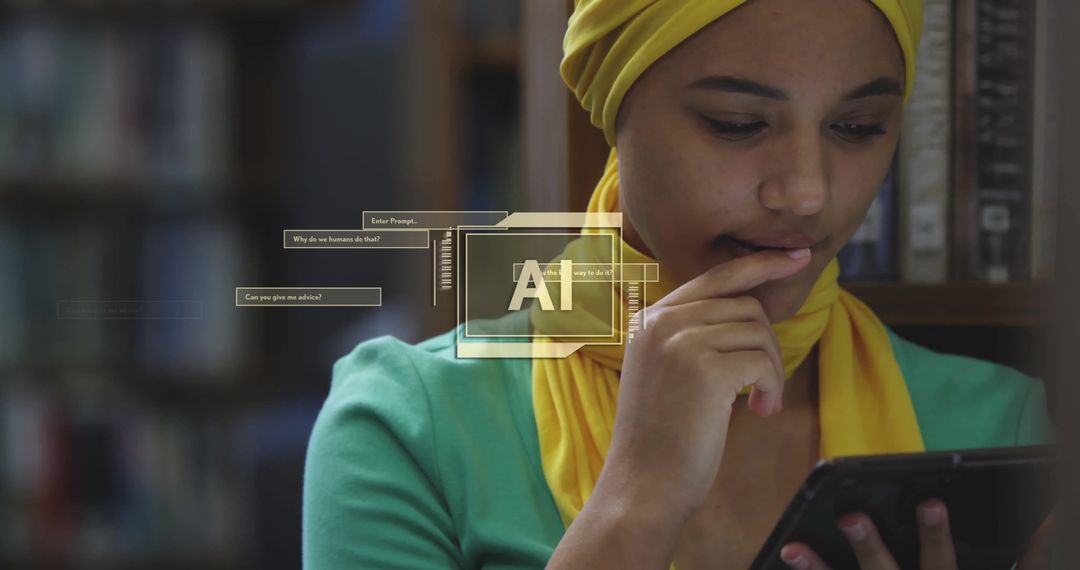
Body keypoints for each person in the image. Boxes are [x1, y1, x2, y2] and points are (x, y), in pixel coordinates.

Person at [302, 0, 1055, 568]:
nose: (806, 193)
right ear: (612, 109)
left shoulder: (1004, 429)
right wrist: (639, 501)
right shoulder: (410, 428)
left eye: (857, 128)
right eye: (736, 124)